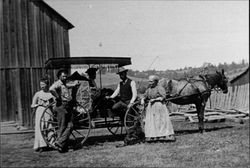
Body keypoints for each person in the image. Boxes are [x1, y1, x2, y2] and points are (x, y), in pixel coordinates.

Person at [49, 68, 80, 152]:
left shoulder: (64, 83)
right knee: (62, 127)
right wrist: (57, 97)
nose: (65, 78)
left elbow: (69, 85)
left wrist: (75, 84)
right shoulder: (57, 84)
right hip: (61, 107)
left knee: (70, 126)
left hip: (66, 106)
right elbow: (51, 89)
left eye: (66, 76)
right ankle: (61, 146)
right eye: (63, 76)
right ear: (59, 77)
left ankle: (60, 144)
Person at [141, 75, 175, 142]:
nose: (149, 83)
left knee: (159, 120)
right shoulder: (149, 89)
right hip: (151, 107)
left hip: (159, 106)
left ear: (155, 82)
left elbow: (163, 97)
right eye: (149, 81)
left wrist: (155, 100)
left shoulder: (159, 88)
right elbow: (145, 95)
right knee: (152, 121)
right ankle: (154, 135)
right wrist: (143, 98)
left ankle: (162, 135)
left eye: (151, 81)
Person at [31, 77, 54, 152]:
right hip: (40, 111)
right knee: (40, 127)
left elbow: (55, 103)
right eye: (41, 84)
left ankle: (51, 143)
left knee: (49, 125)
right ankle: (41, 145)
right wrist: (36, 106)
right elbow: (33, 104)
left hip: (48, 111)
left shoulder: (51, 93)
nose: (42, 86)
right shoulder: (38, 94)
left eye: (43, 84)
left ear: (47, 85)